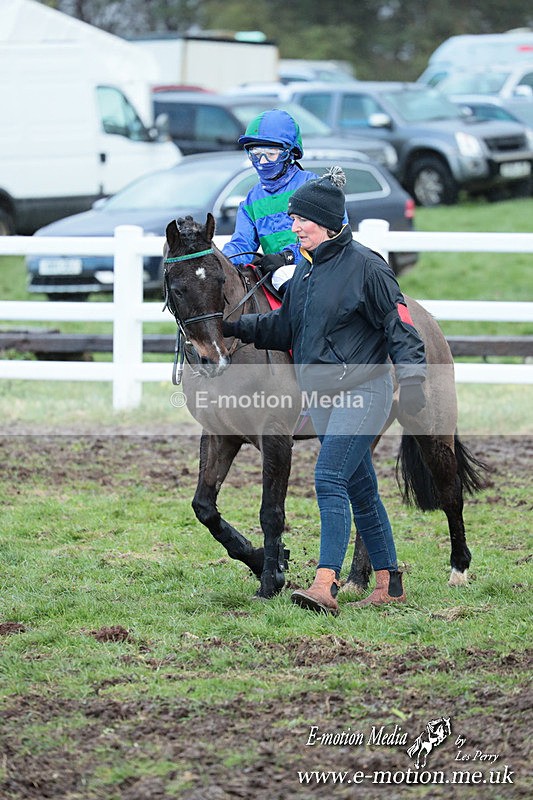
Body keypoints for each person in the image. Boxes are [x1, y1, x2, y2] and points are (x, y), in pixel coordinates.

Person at [222, 167, 427, 615]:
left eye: (302, 221)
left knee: (328, 477)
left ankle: (324, 584)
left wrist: (411, 382)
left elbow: (401, 328)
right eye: (293, 220)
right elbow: (285, 326)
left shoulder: (369, 268)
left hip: (364, 391)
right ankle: (389, 582)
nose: (293, 228)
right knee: (361, 489)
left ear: (329, 223)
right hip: (323, 397)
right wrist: (238, 327)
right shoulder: (306, 275)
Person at [222, 109, 320, 293]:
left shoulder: (312, 186)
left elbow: (329, 237)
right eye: (256, 153)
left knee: (284, 276)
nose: (263, 161)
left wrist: (288, 257)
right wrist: (221, 259)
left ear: (289, 153)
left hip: (319, 270)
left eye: (271, 153)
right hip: (276, 275)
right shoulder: (251, 201)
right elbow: (241, 244)